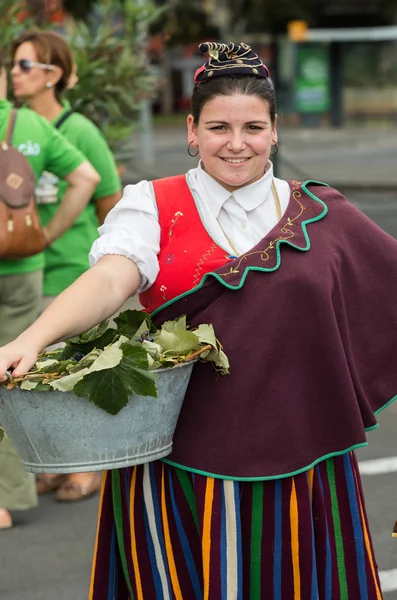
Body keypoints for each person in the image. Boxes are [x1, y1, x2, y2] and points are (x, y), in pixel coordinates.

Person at [0, 41, 395, 597]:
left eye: (253, 128)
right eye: (218, 128)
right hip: (177, 464)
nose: (237, 144)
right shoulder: (151, 204)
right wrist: (33, 337)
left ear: (275, 131)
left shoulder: (323, 215)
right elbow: (113, 278)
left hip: (305, 464)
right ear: (191, 130)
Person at [10, 30, 122, 503]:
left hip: (71, 270)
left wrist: (63, 241)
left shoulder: (79, 131)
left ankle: (89, 467)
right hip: (27, 271)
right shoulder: (15, 128)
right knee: (42, 380)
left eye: (25, 65)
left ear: (52, 75)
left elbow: (109, 200)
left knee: (83, 374)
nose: (14, 73)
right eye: (13, 65)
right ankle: (56, 464)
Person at [0, 54, 100, 529]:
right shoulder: (29, 125)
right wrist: (47, 234)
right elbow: (88, 179)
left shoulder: (68, 122)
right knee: (12, 376)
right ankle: (9, 495)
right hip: (24, 264)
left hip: (47, 271)